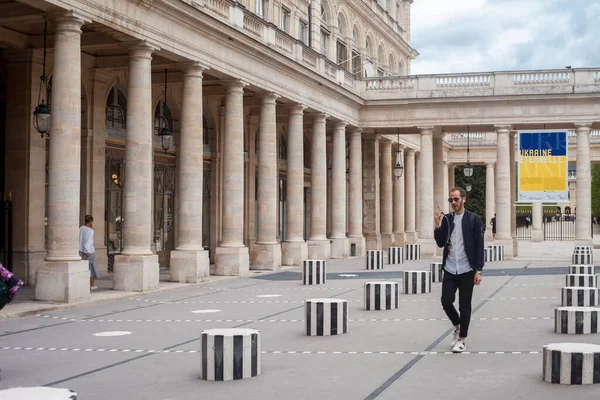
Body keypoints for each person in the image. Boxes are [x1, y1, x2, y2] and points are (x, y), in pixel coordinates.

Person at [434, 187, 484, 353]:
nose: (453, 203)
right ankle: (458, 326)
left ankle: (462, 339)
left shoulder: (474, 219)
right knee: (446, 302)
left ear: (464, 199)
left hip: (466, 269)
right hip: (450, 267)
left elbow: (479, 246)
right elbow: (441, 243)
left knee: (464, 306)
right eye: (451, 200)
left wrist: (478, 270)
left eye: (456, 199)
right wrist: (438, 224)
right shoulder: (447, 219)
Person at [79, 215, 99, 290]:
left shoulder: (81, 228)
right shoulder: (90, 231)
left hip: (80, 250)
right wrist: (88, 250)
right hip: (89, 251)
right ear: (91, 222)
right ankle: (91, 285)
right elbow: (88, 241)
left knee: (82, 268)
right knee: (91, 268)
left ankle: (83, 284)